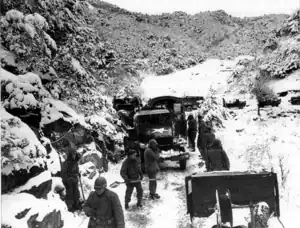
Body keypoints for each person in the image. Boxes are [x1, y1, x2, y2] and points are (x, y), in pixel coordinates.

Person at [61, 145, 82, 212]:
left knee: (76, 192)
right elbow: (63, 173)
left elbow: (76, 169)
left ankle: (77, 204)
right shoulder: (66, 163)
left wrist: (78, 174)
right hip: (69, 181)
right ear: (70, 155)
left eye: (75, 154)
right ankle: (70, 206)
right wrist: (67, 179)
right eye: (73, 154)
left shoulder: (75, 162)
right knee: (70, 193)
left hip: (74, 180)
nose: (74, 155)